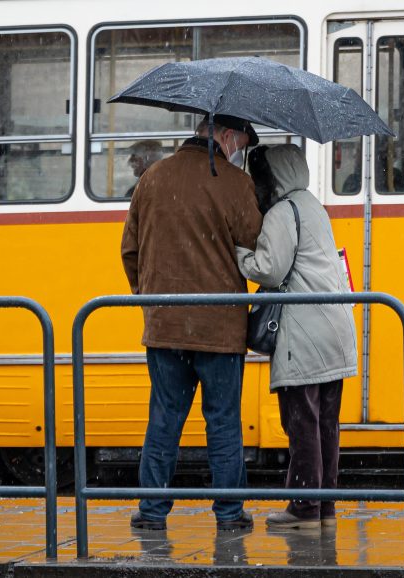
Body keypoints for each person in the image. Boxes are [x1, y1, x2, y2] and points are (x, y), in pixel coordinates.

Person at [121, 113, 263, 532]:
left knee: (164, 418)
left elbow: (130, 251)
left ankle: (152, 513)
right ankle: (229, 514)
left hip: (165, 328)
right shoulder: (236, 184)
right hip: (220, 331)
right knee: (223, 422)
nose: (240, 150)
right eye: (241, 141)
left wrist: (151, 301)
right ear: (226, 135)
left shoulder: (152, 178)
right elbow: (256, 246)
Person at [235, 144, 358, 530]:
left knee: (301, 422)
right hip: (335, 330)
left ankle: (304, 508)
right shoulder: (313, 206)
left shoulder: (282, 212)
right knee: (326, 424)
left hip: (304, 332)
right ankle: (324, 508)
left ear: (273, 178)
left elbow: (269, 271)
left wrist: (239, 253)